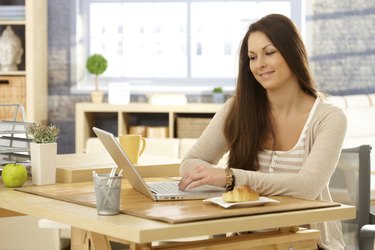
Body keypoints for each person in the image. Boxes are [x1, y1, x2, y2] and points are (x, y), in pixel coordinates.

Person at [178, 14, 347, 250]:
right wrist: (206, 174)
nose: (260, 64)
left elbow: (307, 186)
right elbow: (190, 162)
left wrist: (230, 178)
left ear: (292, 52)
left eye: (270, 52)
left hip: (307, 243)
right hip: (247, 241)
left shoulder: (329, 118)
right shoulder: (236, 110)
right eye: (252, 57)